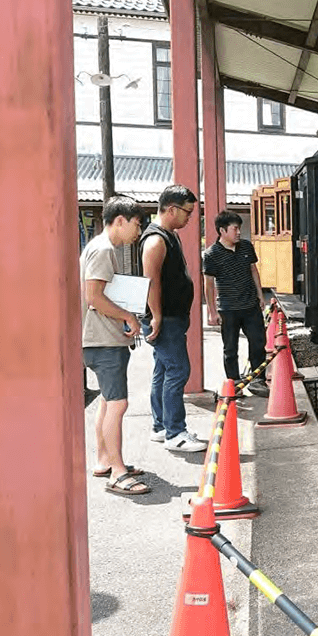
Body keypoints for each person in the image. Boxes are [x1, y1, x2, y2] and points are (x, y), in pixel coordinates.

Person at [81, 195, 151, 495]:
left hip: (99, 339)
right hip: (104, 340)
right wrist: (128, 316)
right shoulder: (104, 250)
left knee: (108, 402)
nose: (139, 231)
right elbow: (93, 297)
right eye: (137, 224)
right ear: (120, 220)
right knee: (118, 404)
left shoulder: (99, 246)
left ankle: (104, 461)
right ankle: (118, 473)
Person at [140, 185, 207, 453]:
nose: (190, 218)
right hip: (165, 318)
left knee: (163, 370)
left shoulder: (170, 235)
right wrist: (156, 316)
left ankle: (161, 426)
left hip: (172, 317)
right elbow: (151, 281)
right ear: (171, 209)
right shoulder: (156, 240)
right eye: (187, 212)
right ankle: (175, 433)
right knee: (178, 371)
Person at [203, 210, 269, 396]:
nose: (239, 232)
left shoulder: (246, 247)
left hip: (250, 306)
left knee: (258, 342)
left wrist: (260, 295)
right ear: (222, 231)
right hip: (228, 309)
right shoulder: (211, 254)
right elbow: (208, 285)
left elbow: (253, 270)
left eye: (239, 228)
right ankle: (234, 383)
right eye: (235, 229)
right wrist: (212, 311)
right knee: (230, 349)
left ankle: (258, 380)